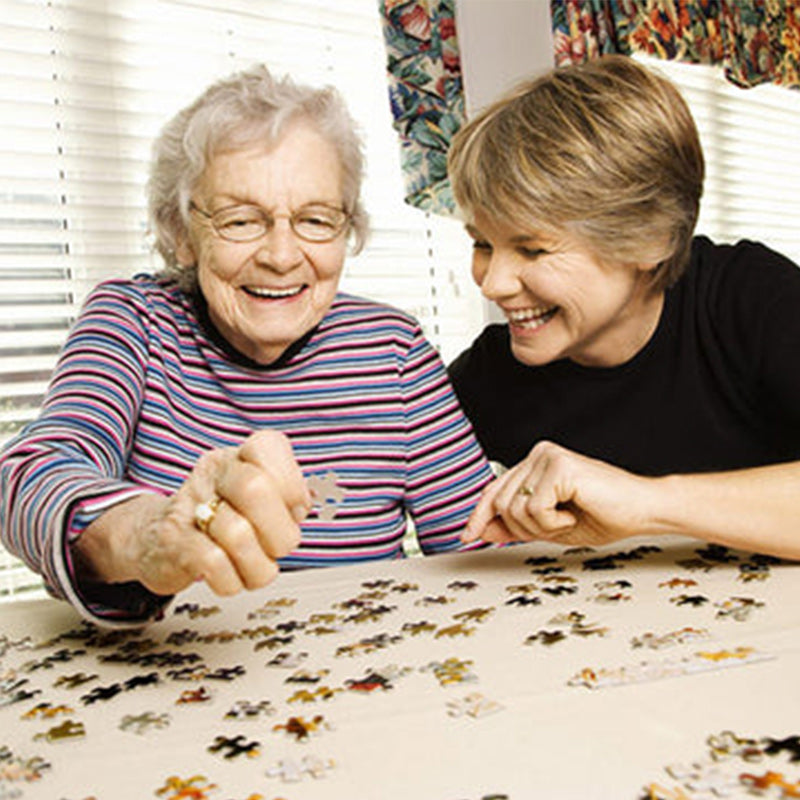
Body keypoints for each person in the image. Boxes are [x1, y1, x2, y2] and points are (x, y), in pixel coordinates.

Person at [0, 65, 493, 626]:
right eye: (240, 220)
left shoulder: (395, 351)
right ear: (180, 234)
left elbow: (480, 550)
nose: (282, 256)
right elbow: (30, 475)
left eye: (315, 219)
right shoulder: (132, 321)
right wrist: (147, 535)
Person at [446, 55, 800, 560]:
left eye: (533, 249)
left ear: (649, 238)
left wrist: (645, 502)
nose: (493, 283)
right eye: (482, 243)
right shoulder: (490, 372)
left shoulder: (753, 299)